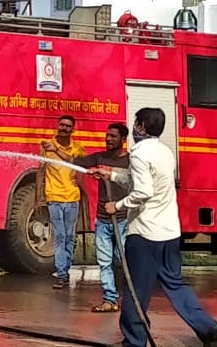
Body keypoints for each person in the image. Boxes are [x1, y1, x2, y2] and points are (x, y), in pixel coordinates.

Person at [91, 108, 217, 347]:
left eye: (135, 123)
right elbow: (141, 179)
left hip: (145, 235)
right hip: (169, 233)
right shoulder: (165, 152)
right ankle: (209, 329)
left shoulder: (139, 154)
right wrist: (109, 175)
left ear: (141, 126)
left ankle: (134, 340)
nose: (133, 128)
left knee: (135, 290)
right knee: (175, 284)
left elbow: (143, 190)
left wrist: (117, 205)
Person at [75, 123, 130, 313]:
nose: (108, 139)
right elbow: (77, 162)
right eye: (107, 136)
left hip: (123, 220)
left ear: (123, 140)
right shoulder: (99, 158)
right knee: (105, 262)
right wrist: (56, 152)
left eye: (113, 136)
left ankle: (128, 299)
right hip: (102, 220)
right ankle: (109, 299)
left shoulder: (130, 162)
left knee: (122, 260)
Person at [37, 115, 88, 289]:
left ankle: (65, 269)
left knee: (70, 237)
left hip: (72, 199)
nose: (64, 128)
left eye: (67, 126)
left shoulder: (77, 148)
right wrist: (39, 198)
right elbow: (40, 171)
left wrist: (79, 179)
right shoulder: (46, 145)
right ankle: (62, 274)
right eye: (61, 125)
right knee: (59, 236)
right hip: (54, 198)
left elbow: (84, 166)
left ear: (73, 129)